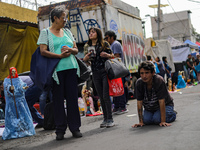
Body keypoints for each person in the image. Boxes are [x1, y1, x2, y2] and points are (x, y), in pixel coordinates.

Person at [37, 5, 82, 140]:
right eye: (63, 17)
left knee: (73, 100)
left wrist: (70, 50)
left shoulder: (67, 31)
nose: (65, 20)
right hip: (56, 72)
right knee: (58, 101)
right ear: (55, 18)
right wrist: (59, 56)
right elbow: (43, 51)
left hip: (71, 69)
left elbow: (75, 49)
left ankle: (75, 128)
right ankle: (60, 130)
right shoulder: (46, 32)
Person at [83, 27, 115, 128]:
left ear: (98, 33)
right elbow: (86, 62)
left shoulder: (104, 44)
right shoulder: (87, 46)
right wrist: (86, 58)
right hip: (94, 72)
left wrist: (107, 55)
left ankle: (110, 119)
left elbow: (112, 55)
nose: (91, 34)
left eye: (93, 32)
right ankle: (105, 119)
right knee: (101, 96)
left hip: (104, 71)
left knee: (106, 95)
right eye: (89, 32)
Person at [132, 61, 176, 128]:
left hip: (165, 105)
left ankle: (172, 114)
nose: (144, 76)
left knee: (157, 119)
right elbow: (139, 102)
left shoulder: (159, 80)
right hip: (150, 108)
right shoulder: (139, 83)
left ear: (153, 73)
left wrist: (163, 121)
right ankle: (156, 115)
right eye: (142, 73)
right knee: (146, 120)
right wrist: (141, 121)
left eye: (147, 73)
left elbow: (162, 101)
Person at [2, 67, 35, 140]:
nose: (13, 73)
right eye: (12, 72)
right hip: (12, 103)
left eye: (14, 72)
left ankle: (24, 129)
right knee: (13, 115)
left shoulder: (18, 79)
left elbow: (22, 85)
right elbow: (6, 88)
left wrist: (23, 88)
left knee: (23, 115)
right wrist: (10, 88)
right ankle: (14, 131)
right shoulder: (7, 80)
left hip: (20, 102)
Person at [104, 30, 128, 114]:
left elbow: (116, 56)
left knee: (119, 88)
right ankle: (117, 106)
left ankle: (122, 106)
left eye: (107, 38)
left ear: (111, 37)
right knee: (115, 88)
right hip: (114, 70)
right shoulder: (112, 45)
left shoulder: (116, 44)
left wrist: (107, 56)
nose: (106, 39)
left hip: (117, 69)